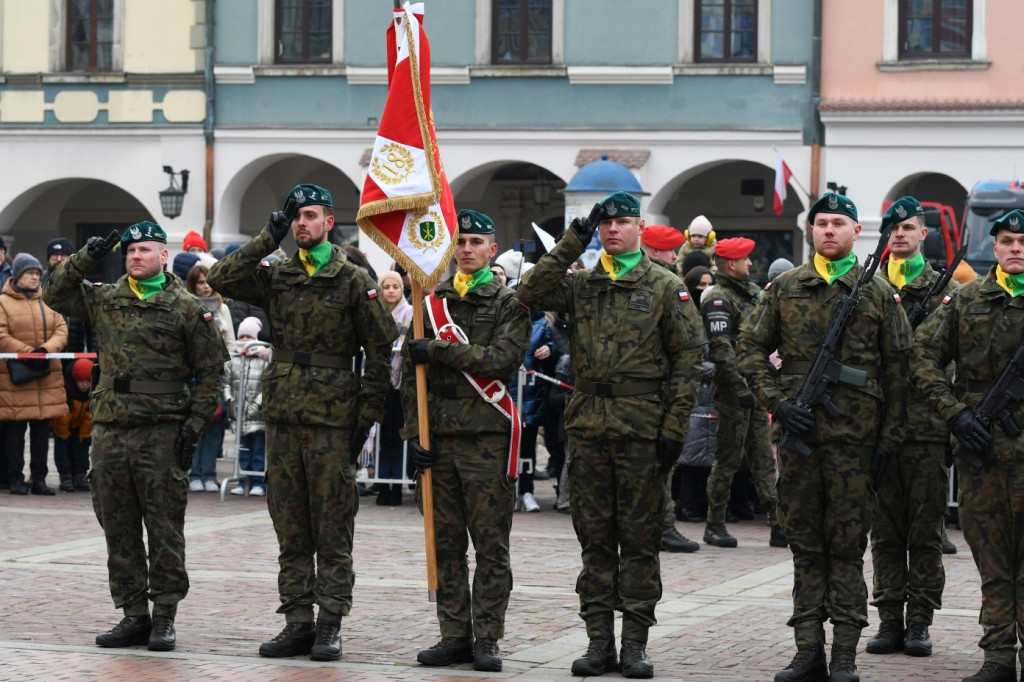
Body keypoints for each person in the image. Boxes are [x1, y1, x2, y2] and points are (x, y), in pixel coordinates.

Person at [518, 191, 706, 679]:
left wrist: (674, 427)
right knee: (595, 540)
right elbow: (531, 293)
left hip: (643, 428)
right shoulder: (582, 285)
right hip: (588, 426)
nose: (612, 230)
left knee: (640, 540)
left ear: (640, 227)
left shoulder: (665, 286)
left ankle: (636, 643)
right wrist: (572, 238)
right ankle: (598, 640)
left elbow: (687, 361)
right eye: (604, 224)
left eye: (622, 222)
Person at [208, 183, 396, 662]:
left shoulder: (353, 278)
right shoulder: (277, 273)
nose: (301, 223)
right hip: (285, 416)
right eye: (295, 217)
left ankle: (330, 623)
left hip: (333, 420)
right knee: (289, 526)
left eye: (310, 215)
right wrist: (263, 240)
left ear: (330, 223)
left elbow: (380, 347)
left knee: (332, 528)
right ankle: (297, 621)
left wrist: (368, 416)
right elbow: (224, 279)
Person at [738, 192, 912, 682]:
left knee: (848, 548)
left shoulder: (876, 293)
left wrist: (888, 440)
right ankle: (808, 647)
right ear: (809, 231)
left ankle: (846, 653)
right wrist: (778, 403)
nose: (829, 230)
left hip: (857, 443)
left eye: (839, 223)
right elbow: (748, 349)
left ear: (857, 231)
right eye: (821, 223)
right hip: (801, 439)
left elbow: (901, 371)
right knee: (806, 546)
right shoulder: (786, 287)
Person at [43, 220, 228, 652]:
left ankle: (164, 615)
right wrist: (88, 253)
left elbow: (212, 372)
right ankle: (132, 613)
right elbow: (54, 293)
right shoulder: (105, 298)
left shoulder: (186, 308)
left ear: (164, 255)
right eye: (129, 251)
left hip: (161, 432)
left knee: (164, 527)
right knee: (117, 526)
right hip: (110, 432)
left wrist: (194, 428)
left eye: (144, 250)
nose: (135, 256)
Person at [401, 209, 530, 672]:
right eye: (461, 243)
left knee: (491, 546)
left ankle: (488, 637)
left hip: (486, 441)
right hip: (438, 443)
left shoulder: (509, 305)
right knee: (445, 545)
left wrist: (437, 349)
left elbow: (499, 361)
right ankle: (453, 633)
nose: (467, 250)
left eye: (476, 242)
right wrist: (413, 435)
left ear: (492, 249)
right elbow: (409, 382)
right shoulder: (428, 302)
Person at [912, 208, 1024, 682]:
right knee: (991, 556)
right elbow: (920, 354)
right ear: (993, 248)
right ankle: (998, 655)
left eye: (1023, 241)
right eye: (1007, 240)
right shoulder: (967, 298)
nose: (1016, 248)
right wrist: (953, 413)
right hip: (984, 451)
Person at [867, 196, 958, 660]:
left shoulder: (948, 290)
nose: (899, 234)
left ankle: (919, 621)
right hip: (876, 429)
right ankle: (888, 619)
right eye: (893, 229)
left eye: (908, 228)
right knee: (883, 533)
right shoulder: (867, 287)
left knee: (924, 533)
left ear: (925, 234)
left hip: (925, 430)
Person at [700, 237, 784, 549]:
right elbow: (721, 351)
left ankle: (778, 524)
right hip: (734, 391)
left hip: (756, 388)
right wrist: (740, 388)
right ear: (732, 264)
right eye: (746, 259)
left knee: (763, 457)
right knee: (728, 459)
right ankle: (715, 523)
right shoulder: (718, 300)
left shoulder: (749, 294)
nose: (751, 264)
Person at [640, 222, 700, 553]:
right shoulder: (668, 284)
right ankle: (663, 525)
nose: (675, 256)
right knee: (660, 469)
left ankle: (663, 524)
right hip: (656, 395)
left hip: (655, 394)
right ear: (653, 250)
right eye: (669, 250)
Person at [0, 252, 69, 495]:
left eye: (37, 273)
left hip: (45, 376)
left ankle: (39, 479)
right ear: (17, 275)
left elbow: (61, 329)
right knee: (15, 434)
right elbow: (1, 335)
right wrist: (28, 352)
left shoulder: (49, 300)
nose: (34, 277)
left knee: (41, 433)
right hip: (15, 378)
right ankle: (15, 479)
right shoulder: (2, 303)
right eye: (30, 273)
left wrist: (45, 350)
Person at [184, 263, 233, 492]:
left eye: (209, 282)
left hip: (217, 375)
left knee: (215, 424)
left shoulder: (223, 309)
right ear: (193, 285)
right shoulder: (185, 306)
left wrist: (227, 372)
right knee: (195, 425)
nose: (206, 287)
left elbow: (231, 343)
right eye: (201, 282)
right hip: (194, 376)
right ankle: (194, 473)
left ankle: (209, 473)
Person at [376, 270, 413, 506]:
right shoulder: (374, 312)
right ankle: (381, 484)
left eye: (395, 286)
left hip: (400, 384)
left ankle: (397, 483)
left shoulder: (410, 314)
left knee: (398, 434)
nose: (391, 291)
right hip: (377, 381)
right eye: (386, 286)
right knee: (380, 435)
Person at [225, 316, 269, 496]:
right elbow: (226, 382)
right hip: (239, 413)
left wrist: (257, 403)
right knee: (242, 450)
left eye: (248, 338)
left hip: (257, 416)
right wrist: (229, 399)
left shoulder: (264, 360)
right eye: (241, 337)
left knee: (258, 450)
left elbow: (266, 384)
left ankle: (258, 481)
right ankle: (242, 480)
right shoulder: (234, 359)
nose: (244, 341)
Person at [52, 358, 95, 493]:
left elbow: (89, 416)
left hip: (81, 426)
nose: (84, 385)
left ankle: (81, 474)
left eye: (88, 382)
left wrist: (85, 433)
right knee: (62, 449)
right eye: (81, 381)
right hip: (63, 426)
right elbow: (62, 417)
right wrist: (63, 433)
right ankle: (65, 475)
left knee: (82, 448)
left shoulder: (93, 393)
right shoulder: (66, 390)